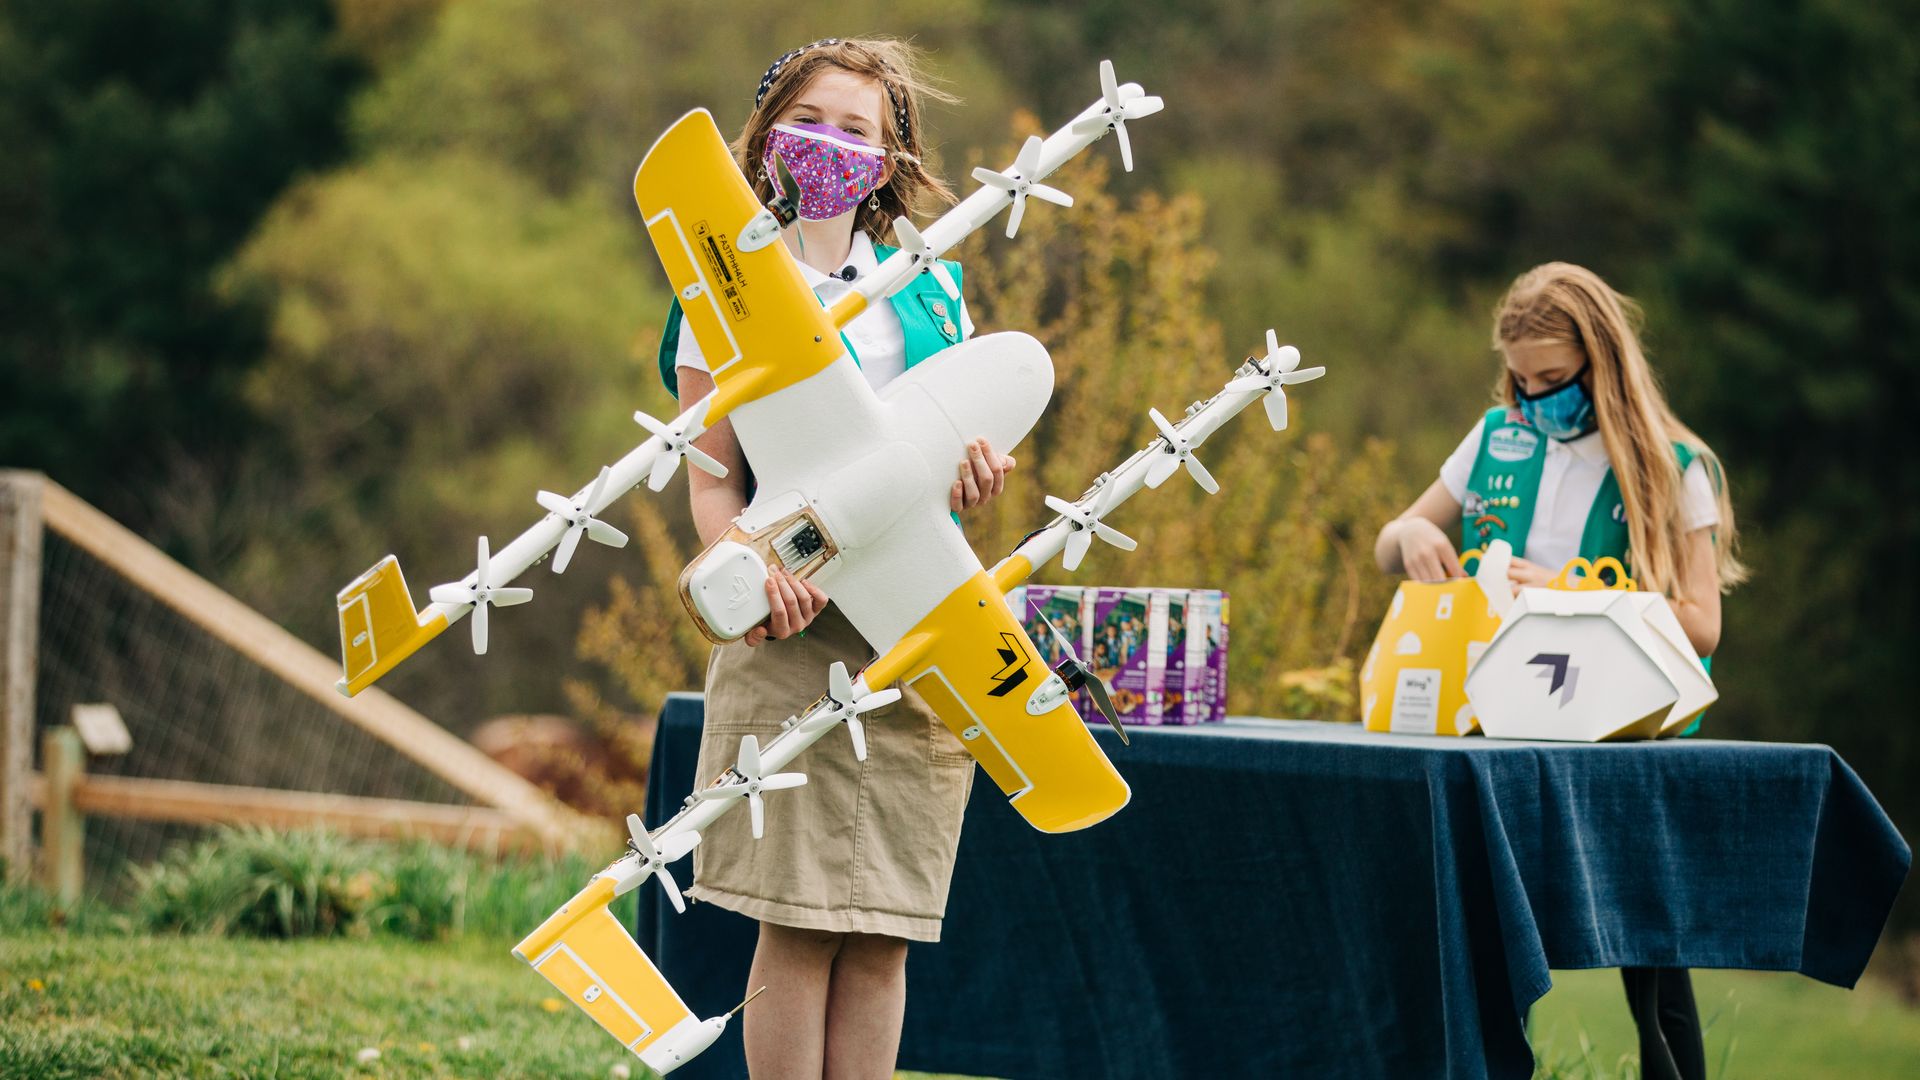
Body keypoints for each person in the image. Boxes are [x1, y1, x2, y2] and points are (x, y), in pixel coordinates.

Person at [659, 37, 1016, 1080]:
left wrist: (972, 478)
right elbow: (710, 479)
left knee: (880, 929)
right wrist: (752, 577)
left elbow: (939, 459)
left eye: (856, 130)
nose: (829, 146)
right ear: (767, 135)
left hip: (913, 632)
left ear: (891, 157)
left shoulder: (931, 289)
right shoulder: (721, 288)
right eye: (809, 121)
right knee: (800, 922)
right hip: (791, 627)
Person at [1372, 262, 1748, 1080]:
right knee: (1479, 927)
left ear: (1601, 362)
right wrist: (1408, 535)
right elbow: (1389, 540)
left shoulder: (1678, 465)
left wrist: (1578, 598)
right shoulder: (1496, 436)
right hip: (1495, 721)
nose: (1536, 396)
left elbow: (1700, 622)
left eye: (1554, 377)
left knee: (1651, 954)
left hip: (1620, 739)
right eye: (1521, 377)